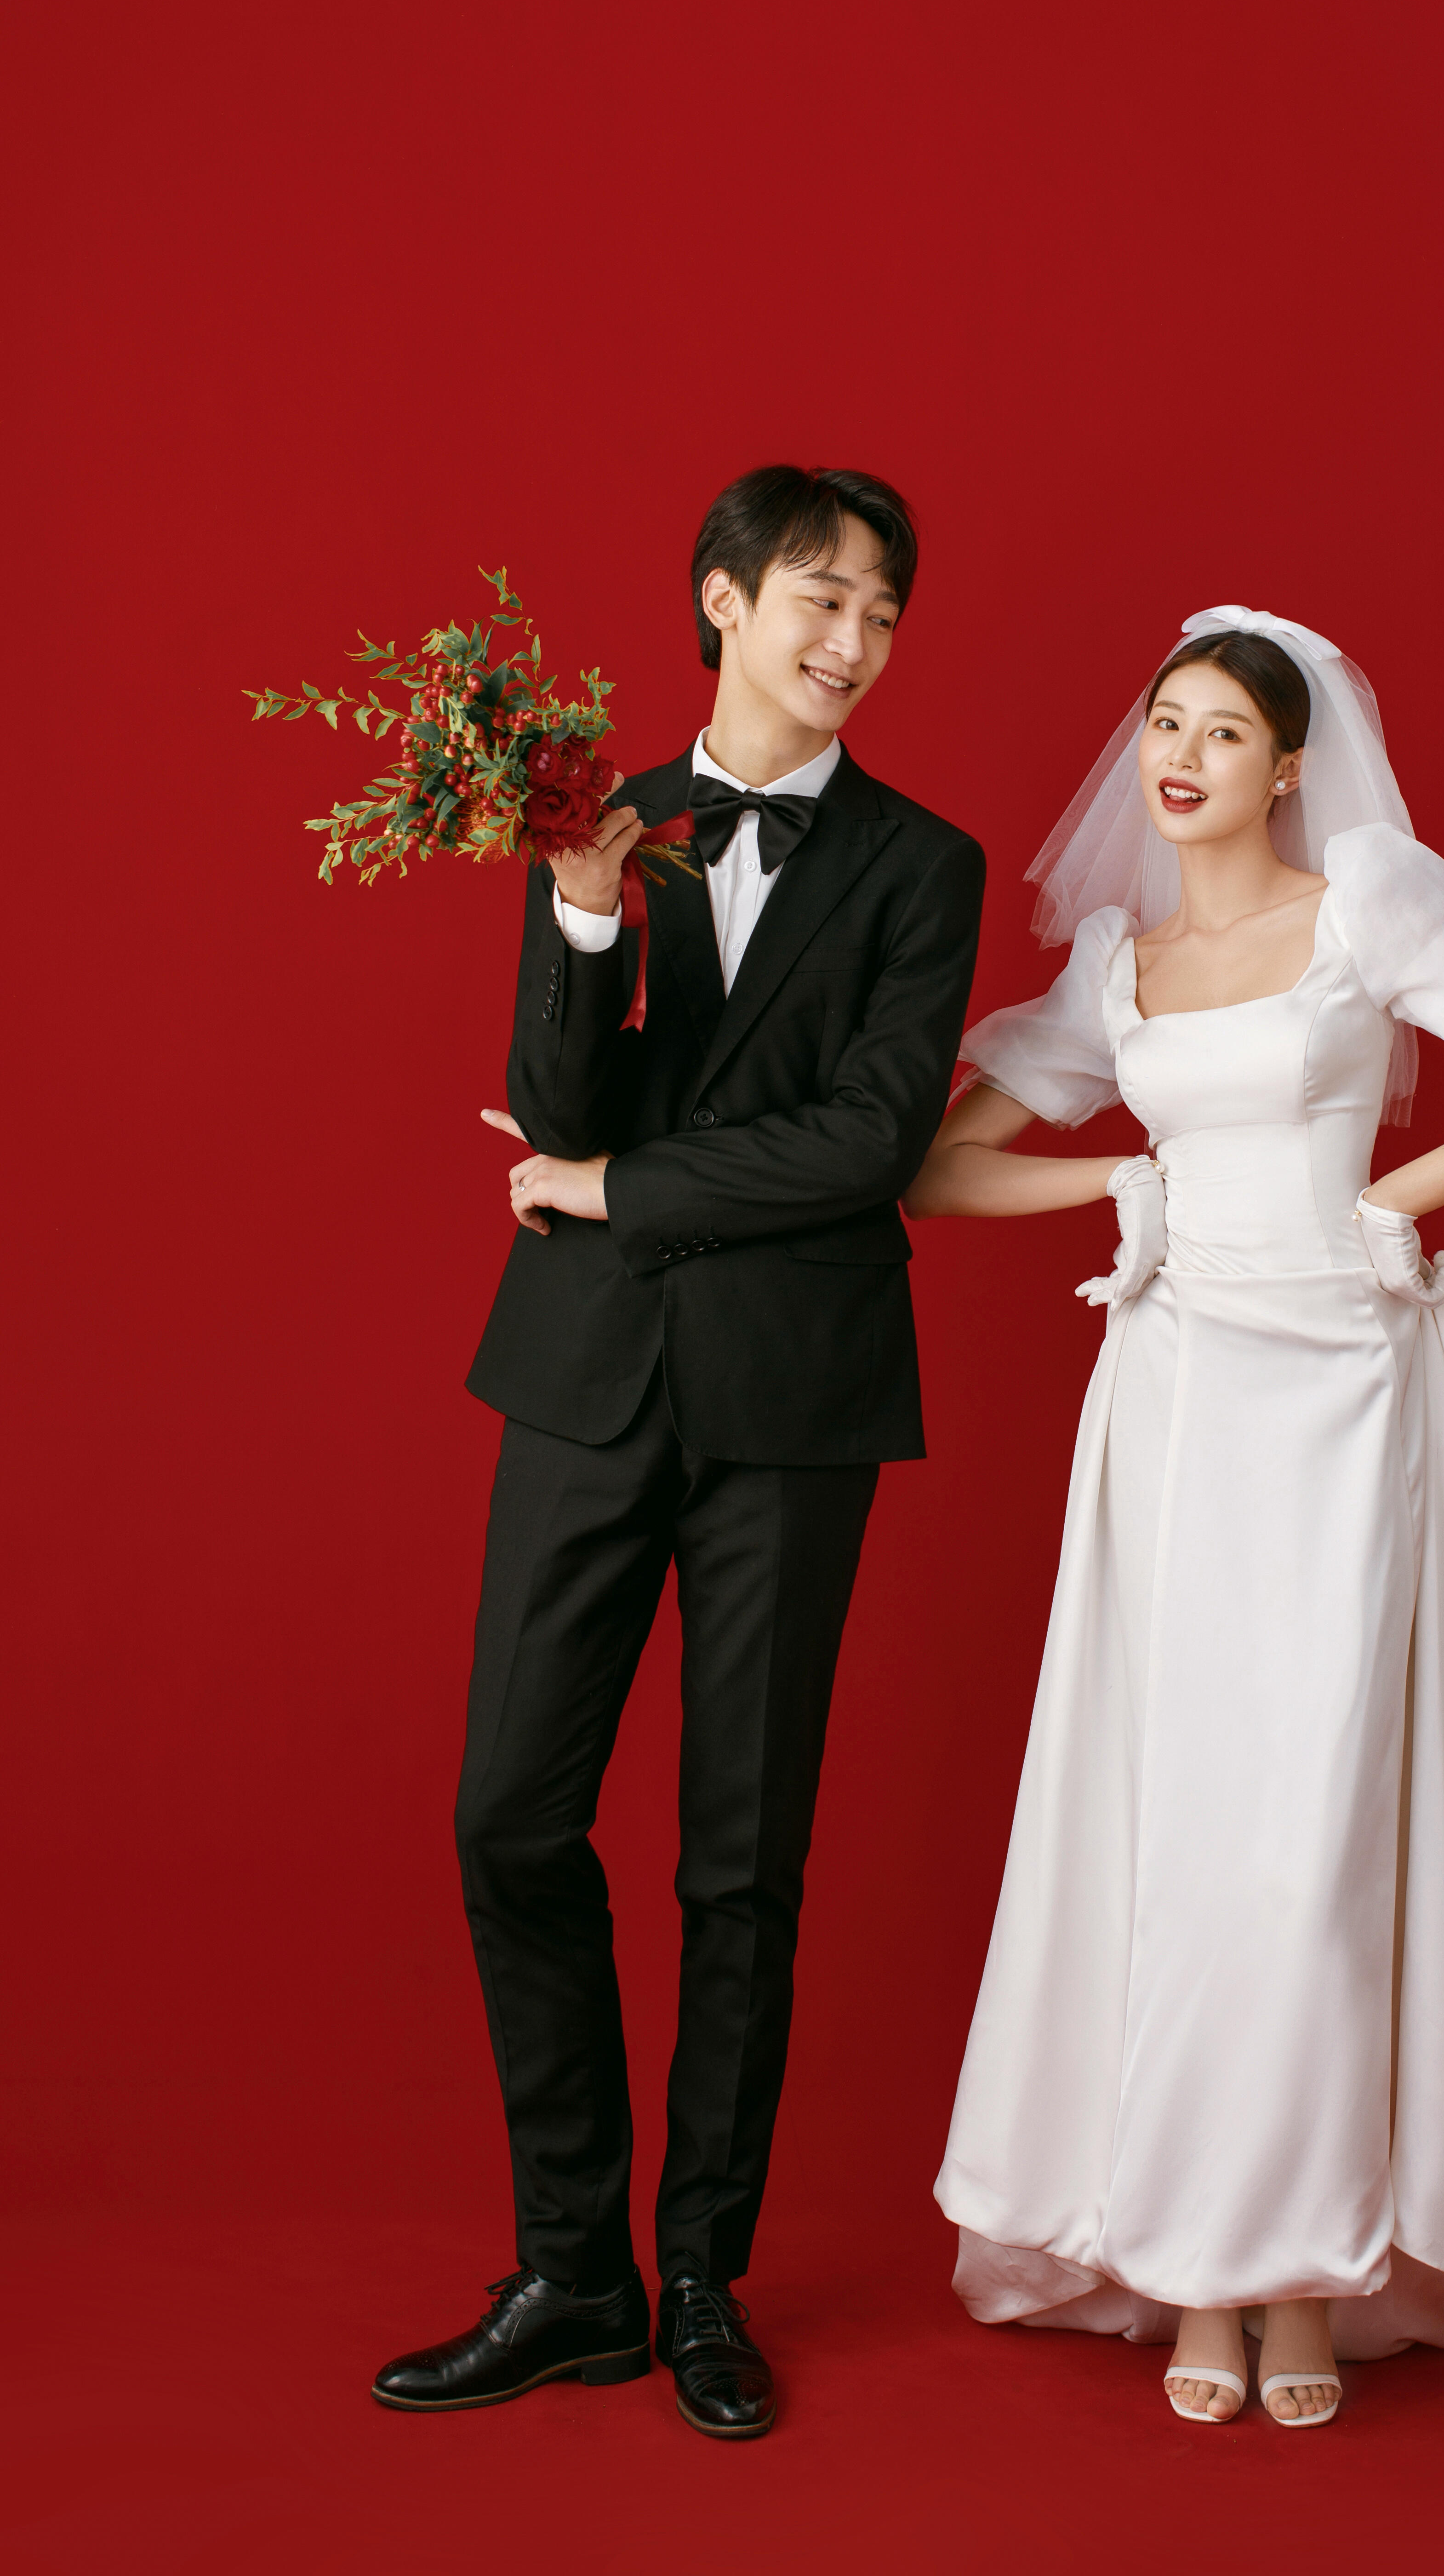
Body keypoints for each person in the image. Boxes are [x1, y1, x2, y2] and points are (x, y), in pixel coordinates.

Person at [908, 605, 1444, 2429]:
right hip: (1169, 1400)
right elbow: (941, 1170)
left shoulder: (1368, 898)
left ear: (1290, 767)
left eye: (1224, 731)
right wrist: (1119, 1186)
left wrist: (1393, 1205)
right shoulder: (1118, 964)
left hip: (1342, 1394)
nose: (1183, 756)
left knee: (1310, 1835)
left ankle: (1299, 2268)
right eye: (1166, 723)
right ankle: (1191, 2275)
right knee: (1172, 1822)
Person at [372, 466, 985, 2438]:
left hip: (795, 1403)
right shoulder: (598, 814)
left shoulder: (926, 865)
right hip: (584, 1383)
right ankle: (575, 2274)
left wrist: (616, 1185)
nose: (853, 641)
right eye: (821, 597)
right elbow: (550, 1094)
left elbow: (871, 1141)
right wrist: (578, 903)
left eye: (882, 613)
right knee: (507, 1814)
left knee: (743, 1859)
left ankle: (704, 2270)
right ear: (724, 599)